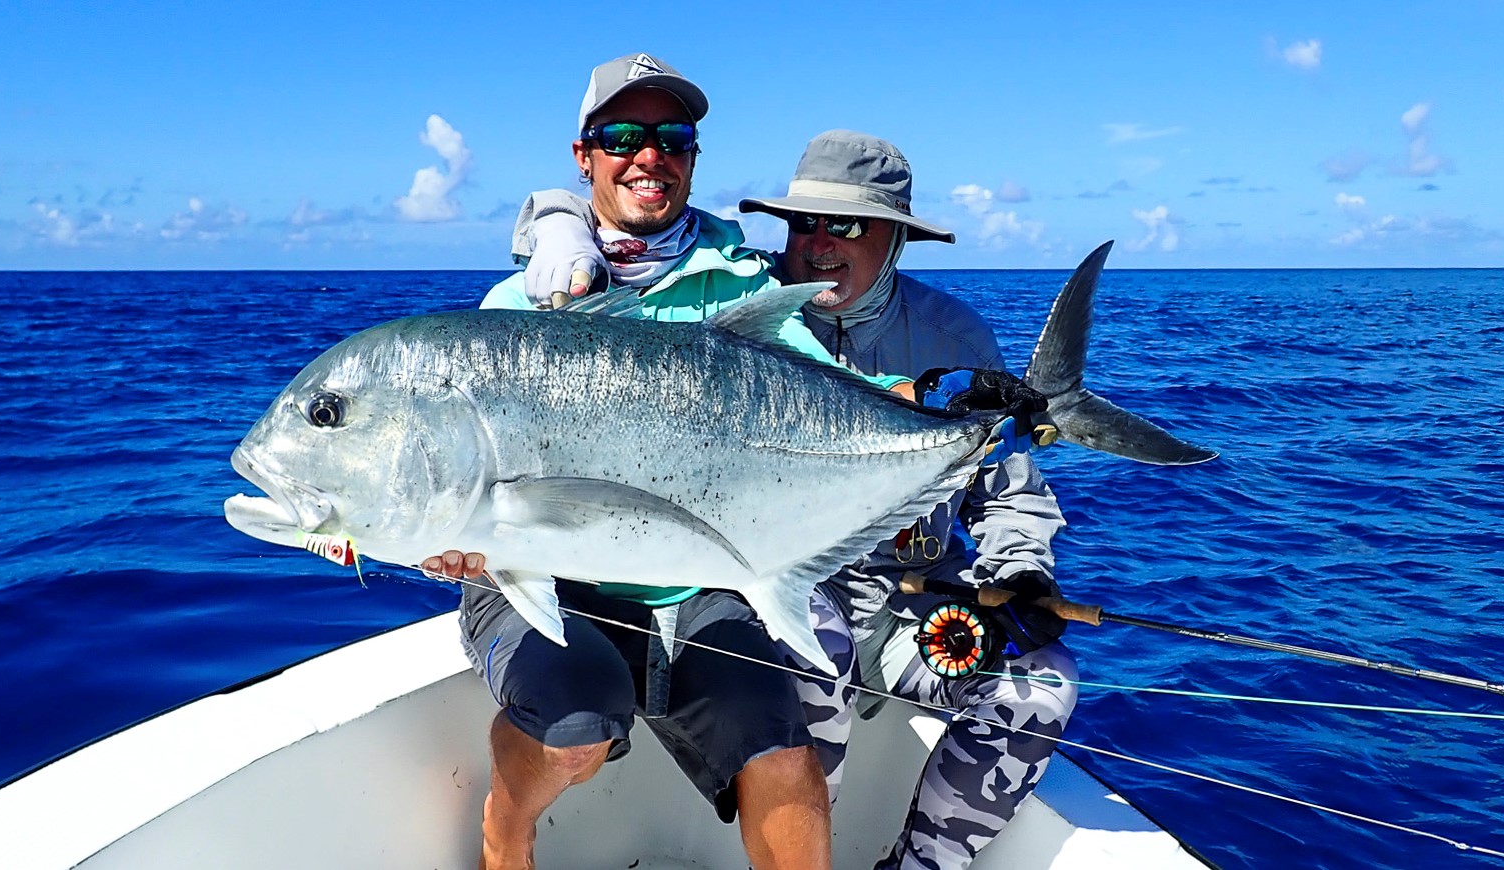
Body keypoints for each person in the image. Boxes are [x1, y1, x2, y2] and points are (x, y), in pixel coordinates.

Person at [514, 130, 1078, 870]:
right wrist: (553, 220)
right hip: (787, 581)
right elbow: (635, 229)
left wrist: (1018, 569)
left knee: (1041, 686)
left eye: (846, 225)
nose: (816, 244)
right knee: (806, 650)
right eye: (802, 223)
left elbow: (1005, 489)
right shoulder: (749, 294)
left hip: (913, 603)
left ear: (897, 238)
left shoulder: (952, 334)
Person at [425, 55, 920, 870]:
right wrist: (447, 538)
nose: (647, 154)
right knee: (571, 730)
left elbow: (818, 393)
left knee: (781, 755)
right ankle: (503, 843)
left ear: (692, 158)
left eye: (672, 137)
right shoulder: (518, 309)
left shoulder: (734, 283)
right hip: (547, 578)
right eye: (620, 136)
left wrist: (916, 411)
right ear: (582, 156)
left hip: (696, 578)